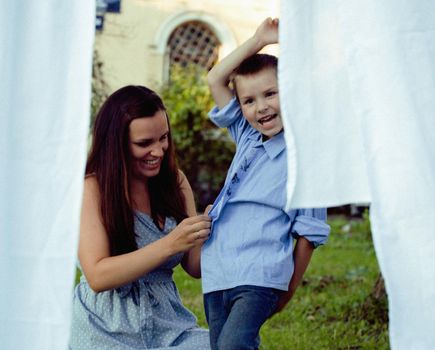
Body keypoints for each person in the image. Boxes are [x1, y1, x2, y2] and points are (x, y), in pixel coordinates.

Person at [201, 18, 331, 350]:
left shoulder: (305, 153)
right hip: (218, 269)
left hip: (261, 273)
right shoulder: (246, 136)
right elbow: (216, 78)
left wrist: (288, 289)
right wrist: (259, 40)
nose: (261, 107)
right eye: (249, 100)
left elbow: (310, 231)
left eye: (271, 93)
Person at [69, 85, 211, 350]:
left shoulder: (175, 182)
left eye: (163, 138)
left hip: (168, 325)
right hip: (106, 328)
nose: (158, 151)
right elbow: (98, 276)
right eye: (144, 143)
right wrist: (170, 244)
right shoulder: (92, 189)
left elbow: (195, 266)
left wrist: (213, 228)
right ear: (116, 144)